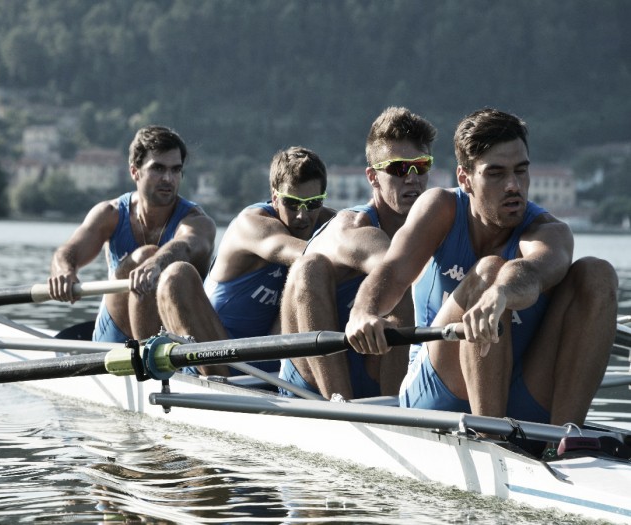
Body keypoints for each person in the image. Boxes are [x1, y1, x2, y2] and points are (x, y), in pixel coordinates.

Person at [346, 108, 618, 428]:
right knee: (487, 271)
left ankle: (566, 439)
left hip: (522, 391)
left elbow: (534, 271)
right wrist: (363, 311)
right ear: (465, 179)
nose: (513, 186)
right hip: (439, 393)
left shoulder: (550, 231)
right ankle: (492, 439)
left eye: (521, 171)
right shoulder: (440, 208)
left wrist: (502, 293)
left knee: (598, 274)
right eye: (496, 174)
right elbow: (392, 271)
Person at [279, 106, 437, 400]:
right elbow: (396, 266)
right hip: (312, 384)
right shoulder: (351, 227)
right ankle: (346, 409)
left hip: (375, 370)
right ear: (373, 177)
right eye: (400, 168)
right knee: (309, 267)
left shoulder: (435, 228)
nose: (413, 178)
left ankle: (402, 414)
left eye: (421, 166)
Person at [157, 146, 335, 376]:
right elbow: (306, 255)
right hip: (214, 356)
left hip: (272, 361)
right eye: (292, 203)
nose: (302, 215)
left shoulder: (327, 221)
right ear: (275, 197)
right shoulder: (252, 224)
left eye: (312, 203)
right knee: (176, 276)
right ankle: (223, 385)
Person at [48, 125, 216, 342]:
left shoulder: (197, 221)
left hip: (174, 335)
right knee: (143, 256)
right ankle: (144, 358)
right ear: (134, 171)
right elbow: (69, 251)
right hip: (114, 333)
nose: (168, 178)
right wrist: (63, 271)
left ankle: (150, 357)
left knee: (149, 257)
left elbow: (186, 245)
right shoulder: (110, 214)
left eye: (175, 170)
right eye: (158, 168)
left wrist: (157, 263)